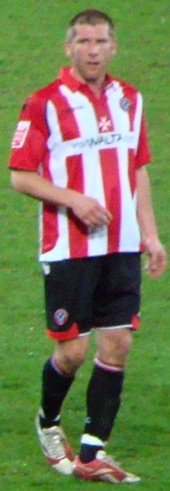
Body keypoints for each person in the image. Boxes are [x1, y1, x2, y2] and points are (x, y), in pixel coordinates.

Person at [8, 9, 167, 484]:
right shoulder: (43, 105)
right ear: (68, 47)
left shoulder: (130, 100)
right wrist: (74, 199)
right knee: (72, 353)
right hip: (69, 248)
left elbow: (137, 169)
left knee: (117, 343)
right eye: (83, 41)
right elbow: (20, 175)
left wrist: (151, 235)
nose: (92, 50)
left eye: (100, 41)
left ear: (114, 47)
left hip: (121, 246)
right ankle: (49, 421)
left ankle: (92, 453)